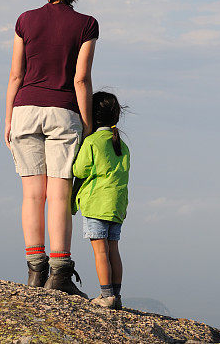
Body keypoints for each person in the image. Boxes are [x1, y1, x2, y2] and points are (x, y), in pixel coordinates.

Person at [4, 0, 98, 298]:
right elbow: (81, 79)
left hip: (24, 110)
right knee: (58, 193)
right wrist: (86, 124)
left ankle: (35, 271)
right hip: (63, 111)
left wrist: (8, 118)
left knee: (32, 194)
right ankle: (59, 276)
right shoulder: (86, 25)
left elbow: (16, 75)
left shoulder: (25, 20)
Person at [72, 91, 130, 309]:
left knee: (100, 251)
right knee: (113, 249)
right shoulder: (122, 145)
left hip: (96, 204)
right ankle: (117, 295)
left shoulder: (92, 142)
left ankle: (106, 296)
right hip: (117, 205)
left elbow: (80, 169)